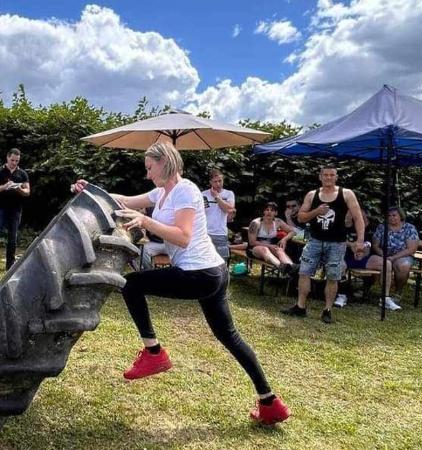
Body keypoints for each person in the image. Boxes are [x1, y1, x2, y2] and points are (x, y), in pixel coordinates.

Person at [70, 142, 291, 425]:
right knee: (230, 337)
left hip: (200, 274)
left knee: (131, 284)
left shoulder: (185, 190)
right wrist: (91, 191)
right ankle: (270, 402)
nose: (148, 174)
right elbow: (123, 200)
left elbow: (183, 237)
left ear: (166, 163)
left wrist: (145, 223)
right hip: (212, 272)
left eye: (150, 168)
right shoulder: (161, 192)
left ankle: (154, 352)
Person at [281, 166, 365, 324]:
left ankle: (327, 310)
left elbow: (358, 218)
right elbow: (300, 218)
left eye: (331, 175)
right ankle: (300, 306)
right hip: (315, 240)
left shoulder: (346, 194)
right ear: (320, 177)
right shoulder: (312, 195)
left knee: (333, 276)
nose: (328, 178)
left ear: (336, 177)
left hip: (337, 242)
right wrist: (316, 212)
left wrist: (360, 240)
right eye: (325, 175)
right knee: (304, 272)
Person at [335, 208, 394, 308]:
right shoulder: (346, 226)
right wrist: (352, 245)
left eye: (364, 216)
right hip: (345, 257)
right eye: (358, 216)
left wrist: (363, 253)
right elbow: (337, 240)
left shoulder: (371, 229)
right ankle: (342, 295)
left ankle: (385, 298)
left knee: (387, 264)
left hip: (364, 258)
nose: (362, 219)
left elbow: (370, 245)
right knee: (340, 266)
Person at [0, 148, 30, 274]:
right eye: (12, 160)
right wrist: (5, 186)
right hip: (0, 208)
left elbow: (27, 192)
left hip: (16, 209)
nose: (14, 163)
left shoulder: (23, 174)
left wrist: (19, 189)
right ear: (7, 158)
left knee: (12, 238)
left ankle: (10, 265)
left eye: (17, 161)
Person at [371, 207, 419, 309]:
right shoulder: (382, 227)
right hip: (384, 255)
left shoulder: (409, 228)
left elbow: (411, 249)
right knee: (377, 263)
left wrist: (394, 257)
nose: (391, 218)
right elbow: (375, 245)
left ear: (400, 216)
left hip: (402, 255)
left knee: (403, 266)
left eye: (394, 215)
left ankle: (398, 292)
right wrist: (384, 255)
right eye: (389, 216)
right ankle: (380, 292)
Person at [246, 202, 296, 274]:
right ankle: (280, 266)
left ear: (276, 213)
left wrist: (284, 239)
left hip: (271, 247)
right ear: (264, 211)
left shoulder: (278, 221)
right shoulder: (256, 223)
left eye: (272, 210)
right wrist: (269, 246)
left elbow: (292, 232)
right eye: (267, 210)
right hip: (254, 248)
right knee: (264, 249)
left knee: (279, 250)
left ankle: (292, 268)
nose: (269, 212)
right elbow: (252, 242)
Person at [201, 168, 235, 262]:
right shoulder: (203, 194)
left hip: (220, 233)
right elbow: (199, 213)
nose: (218, 184)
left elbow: (230, 209)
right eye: (215, 182)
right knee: (205, 261)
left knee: (221, 261)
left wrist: (217, 197)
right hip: (205, 233)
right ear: (210, 182)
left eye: (220, 181)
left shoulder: (229, 194)